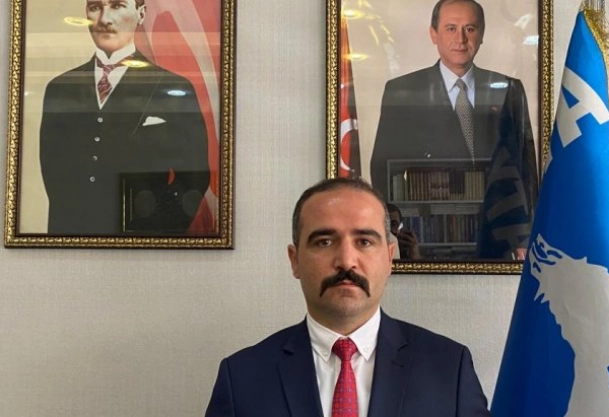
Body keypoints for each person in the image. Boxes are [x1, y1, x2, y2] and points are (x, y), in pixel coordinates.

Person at [204, 178, 489, 417]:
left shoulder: (449, 368)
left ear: (389, 258)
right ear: (295, 260)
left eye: (364, 241)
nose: (346, 261)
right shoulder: (241, 377)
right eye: (324, 242)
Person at [370, 0, 538, 259]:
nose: (461, 39)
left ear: (481, 34)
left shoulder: (508, 89)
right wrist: (392, 230)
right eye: (451, 28)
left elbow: (525, 167)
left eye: (470, 29)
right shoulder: (403, 91)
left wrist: (526, 234)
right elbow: (382, 166)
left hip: (497, 236)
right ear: (433, 34)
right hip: (424, 234)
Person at [39, 0, 210, 235]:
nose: (104, 19)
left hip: (143, 239)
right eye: (95, 7)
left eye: (117, 5)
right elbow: (53, 172)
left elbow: (194, 177)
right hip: (71, 238)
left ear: (141, 14)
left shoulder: (173, 87)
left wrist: (157, 230)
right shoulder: (60, 88)